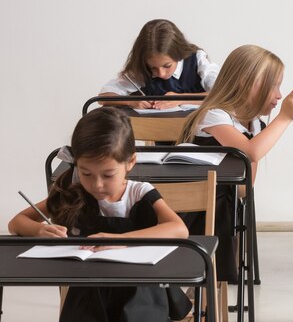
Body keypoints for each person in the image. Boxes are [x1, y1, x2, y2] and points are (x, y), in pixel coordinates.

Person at [8, 107, 190, 322]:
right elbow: (16, 223)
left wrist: (120, 240)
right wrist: (40, 230)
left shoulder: (139, 193)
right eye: (86, 173)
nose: (97, 184)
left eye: (108, 174)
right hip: (89, 287)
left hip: (141, 287)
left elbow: (179, 229)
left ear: (130, 162)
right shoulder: (74, 192)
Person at [178, 44, 293, 282]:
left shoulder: (255, 124)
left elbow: (245, 188)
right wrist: (285, 118)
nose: (278, 95)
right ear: (245, 83)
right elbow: (250, 151)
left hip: (222, 209)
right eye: (273, 85)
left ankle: (214, 275)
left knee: (227, 203)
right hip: (190, 209)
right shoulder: (215, 114)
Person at [100, 19, 220, 109]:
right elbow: (103, 97)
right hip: (162, 133)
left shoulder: (197, 59)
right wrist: (131, 101)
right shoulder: (142, 69)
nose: (161, 74)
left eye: (167, 66)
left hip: (203, 135)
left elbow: (223, 95)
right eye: (153, 67)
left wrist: (180, 99)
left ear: (179, 54)